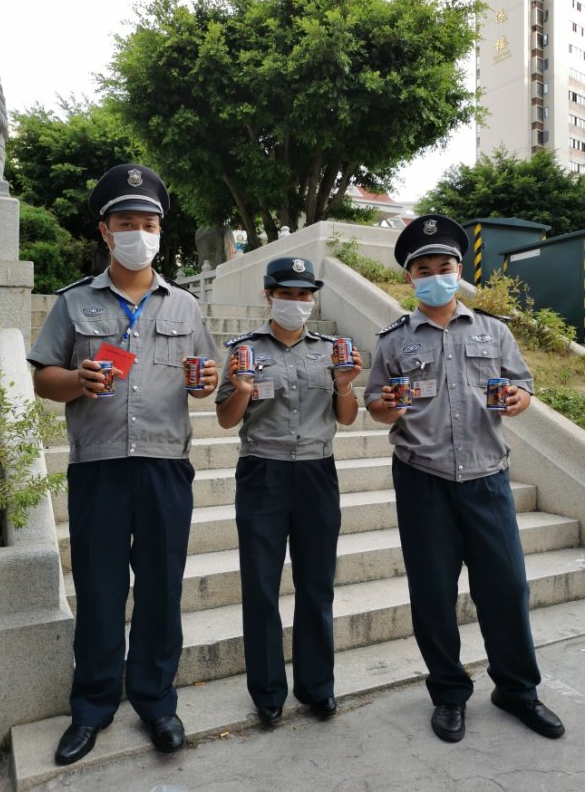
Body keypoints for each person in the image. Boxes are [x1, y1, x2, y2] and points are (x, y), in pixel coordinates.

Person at [27, 164, 220, 765]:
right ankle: (92, 707)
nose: (139, 232)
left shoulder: (186, 306)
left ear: (161, 232)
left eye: (149, 224)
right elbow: (43, 377)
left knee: (161, 589)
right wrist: (76, 381)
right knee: (100, 589)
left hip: (165, 468)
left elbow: (206, 376)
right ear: (106, 231)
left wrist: (207, 381)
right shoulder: (73, 302)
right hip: (99, 468)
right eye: (127, 222)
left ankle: (157, 702)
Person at [364, 214, 565, 744]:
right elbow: (376, 403)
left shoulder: (495, 331)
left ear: (460, 269)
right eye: (424, 269)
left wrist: (519, 399)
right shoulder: (393, 341)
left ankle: (517, 690)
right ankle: (449, 693)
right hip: (422, 478)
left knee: (507, 588)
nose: (436, 276)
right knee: (433, 593)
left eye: (445, 266)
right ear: (410, 277)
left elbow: (521, 386)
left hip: (487, 478)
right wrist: (387, 407)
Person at [215, 257, 362, 725]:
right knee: (261, 585)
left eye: (304, 294)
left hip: (317, 472)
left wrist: (344, 385)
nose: (296, 302)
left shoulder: (331, 350)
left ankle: (317, 686)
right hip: (263, 471)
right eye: (287, 294)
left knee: (317, 583)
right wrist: (241, 388)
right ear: (269, 296)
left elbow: (346, 417)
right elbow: (226, 419)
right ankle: (267, 691)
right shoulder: (243, 350)